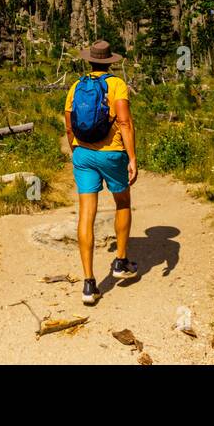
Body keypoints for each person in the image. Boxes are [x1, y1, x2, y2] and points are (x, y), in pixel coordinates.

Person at [63, 39, 138, 306]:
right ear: (110, 62)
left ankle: (89, 283)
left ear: (90, 60)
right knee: (123, 201)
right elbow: (125, 122)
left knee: (86, 214)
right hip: (112, 152)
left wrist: (76, 152)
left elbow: (69, 124)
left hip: (82, 153)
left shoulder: (76, 86)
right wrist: (132, 157)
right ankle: (120, 261)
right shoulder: (116, 85)